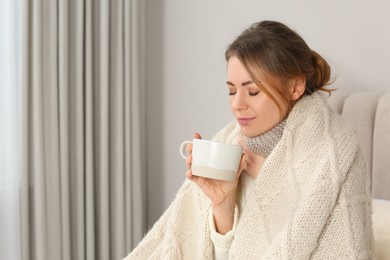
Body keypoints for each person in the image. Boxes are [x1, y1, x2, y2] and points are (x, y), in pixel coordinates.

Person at [125, 20, 375, 259]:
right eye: (231, 91)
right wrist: (222, 201)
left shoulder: (337, 153)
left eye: (252, 91)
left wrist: (271, 177)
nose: (237, 105)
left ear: (296, 87)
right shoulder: (229, 142)